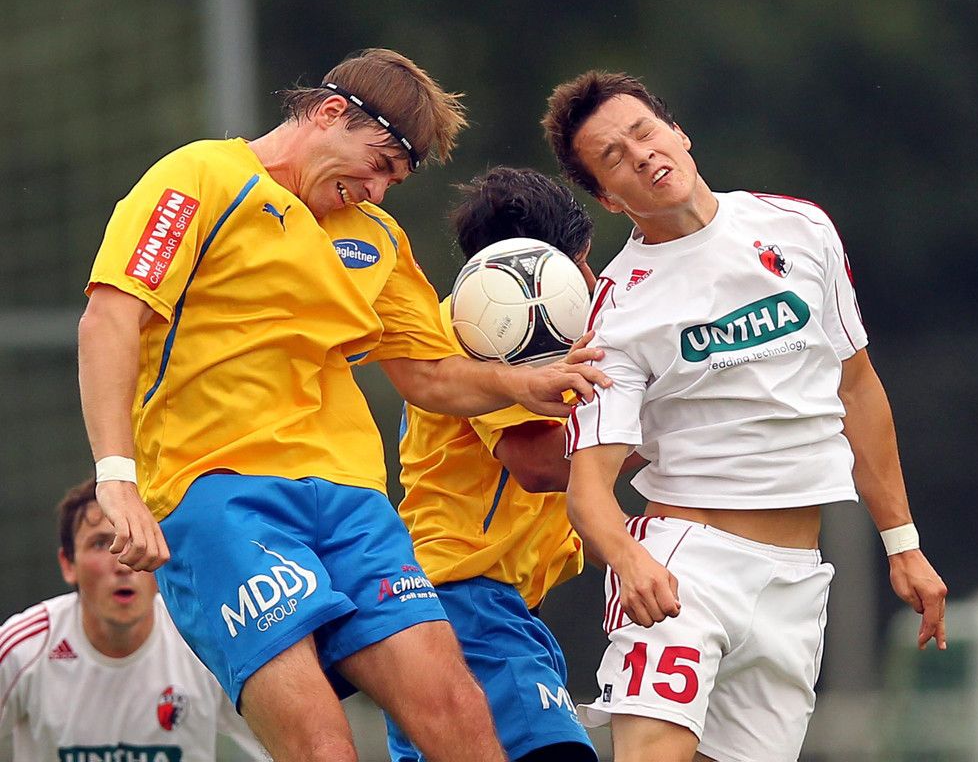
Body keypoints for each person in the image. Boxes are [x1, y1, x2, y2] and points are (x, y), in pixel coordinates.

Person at [77, 48, 607, 762]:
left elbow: (429, 375)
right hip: (219, 497)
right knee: (322, 744)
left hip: (352, 503)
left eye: (394, 179)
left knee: (457, 712)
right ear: (330, 113)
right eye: (379, 163)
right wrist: (116, 479)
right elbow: (109, 318)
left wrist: (518, 386)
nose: (378, 191)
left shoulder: (376, 237)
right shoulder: (200, 177)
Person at [540, 71, 948, 762]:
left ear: (678, 134)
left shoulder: (799, 227)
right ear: (608, 198)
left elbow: (856, 388)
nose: (640, 154)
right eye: (613, 157)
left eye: (643, 132)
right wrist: (630, 561)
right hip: (684, 570)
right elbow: (589, 489)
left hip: (796, 580)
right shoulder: (617, 310)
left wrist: (901, 543)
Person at [387, 166, 620, 762]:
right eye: (581, 264)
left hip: (465, 602)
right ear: (543, 274)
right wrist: (678, 437)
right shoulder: (495, 333)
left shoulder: (496, 324)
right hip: (468, 599)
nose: (591, 280)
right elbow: (538, 463)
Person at [0, 478, 267, 761]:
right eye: (101, 544)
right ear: (68, 564)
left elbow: (285, 744)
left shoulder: (206, 640)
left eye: (137, 540)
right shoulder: (22, 649)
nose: (123, 563)